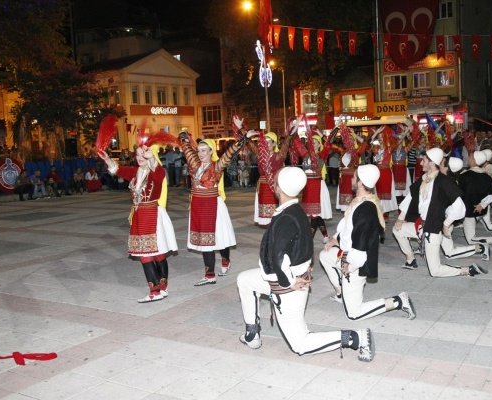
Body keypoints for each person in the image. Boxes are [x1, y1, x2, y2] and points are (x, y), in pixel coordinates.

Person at [237, 167, 375, 361]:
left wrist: (288, 283)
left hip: (288, 286)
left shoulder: (286, 218)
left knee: (301, 344)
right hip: (287, 277)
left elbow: (279, 258)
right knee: (244, 280)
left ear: (279, 189)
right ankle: (252, 333)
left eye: (275, 181)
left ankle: (355, 338)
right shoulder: (296, 210)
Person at [319, 164, 416, 320]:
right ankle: (340, 293)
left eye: (354, 176)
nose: (351, 178)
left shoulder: (365, 209)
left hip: (356, 261)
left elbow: (361, 248)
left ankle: (398, 301)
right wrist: (335, 238)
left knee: (353, 314)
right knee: (325, 255)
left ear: (360, 182)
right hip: (345, 254)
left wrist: (350, 266)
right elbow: (346, 225)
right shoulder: (360, 202)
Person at [98, 144, 178, 303]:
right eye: (138, 154)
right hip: (139, 215)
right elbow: (118, 169)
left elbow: (159, 173)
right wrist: (107, 159)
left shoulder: (156, 172)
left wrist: (151, 158)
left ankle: (157, 290)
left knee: (154, 253)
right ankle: (160, 289)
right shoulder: (135, 172)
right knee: (150, 253)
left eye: (144, 154)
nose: (140, 157)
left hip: (152, 214)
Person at [392, 148, 487, 278]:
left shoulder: (444, 181)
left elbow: (460, 206)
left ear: (431, 163)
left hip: (432, 229)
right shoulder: (425, 178)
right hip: (420, 226)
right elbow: (410, 197)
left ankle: (467, 269)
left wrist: (447, 224)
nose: (420, 163)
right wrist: (401, 218)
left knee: (435, 271)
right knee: (397, 230)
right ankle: (411, 260)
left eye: (424, 160)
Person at [180, 129, 248, 285]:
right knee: (205, 240)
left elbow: (231, 152)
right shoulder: (194, 164)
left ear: (211, 151)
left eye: (204, 150)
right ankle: (210, 275)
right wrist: (184, 136)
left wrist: (240, 134)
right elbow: (185, 147)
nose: (201, 153)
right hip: (197, 204)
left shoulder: (217, 166)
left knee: (218, 237)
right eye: (199, 150)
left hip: (212, 205)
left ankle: (226, 260)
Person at [457, 151, 492, 249]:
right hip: (481, 210)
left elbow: (458, 194)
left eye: (470, 157)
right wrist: (483, 204)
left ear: (475, 161)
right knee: (476, 228)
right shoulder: (485, 176)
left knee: (471, 240)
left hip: (469, 211)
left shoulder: (464, 176)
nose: (468, 159)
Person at [291, 126, 333, 243]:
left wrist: (321, 133)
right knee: (314, 214)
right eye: (312, 142)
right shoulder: (305, 155)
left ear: (319, 145)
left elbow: (329, 143)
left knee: (314, 215)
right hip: (308, 187)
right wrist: (294, 130)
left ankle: (309, 238)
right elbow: (298, 143)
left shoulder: (322, 155)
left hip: (317, 186)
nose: (313, 144)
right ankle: (325, 236)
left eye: (316, 142)